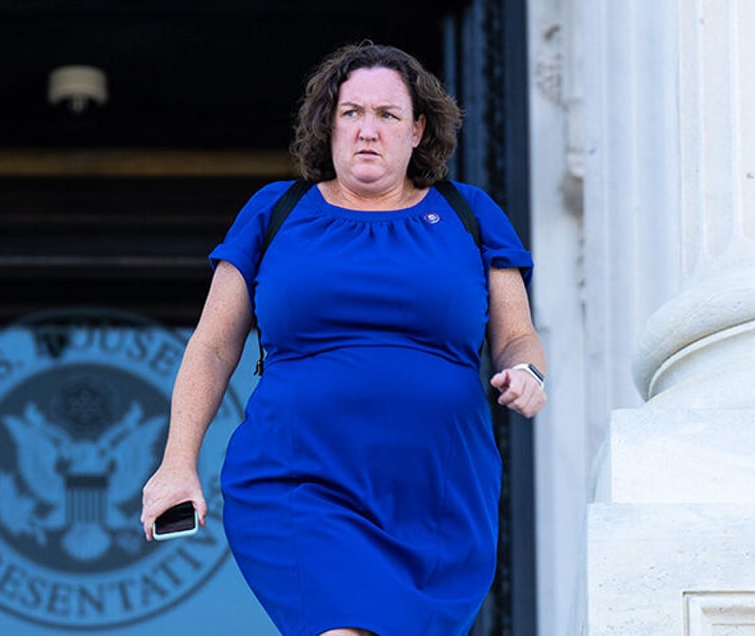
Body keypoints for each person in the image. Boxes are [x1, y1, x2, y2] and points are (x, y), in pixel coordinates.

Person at [141, 41, 546, 636]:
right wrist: (177, 462)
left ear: (417, 130)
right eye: (351, 112)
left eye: (387, 115)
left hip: (437, 492)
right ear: (327, 126)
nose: (367, 130)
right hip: (302, 480)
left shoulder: (471, 214)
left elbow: (517, 337)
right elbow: (213, 345)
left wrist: (529, 374)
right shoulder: (276, 211)